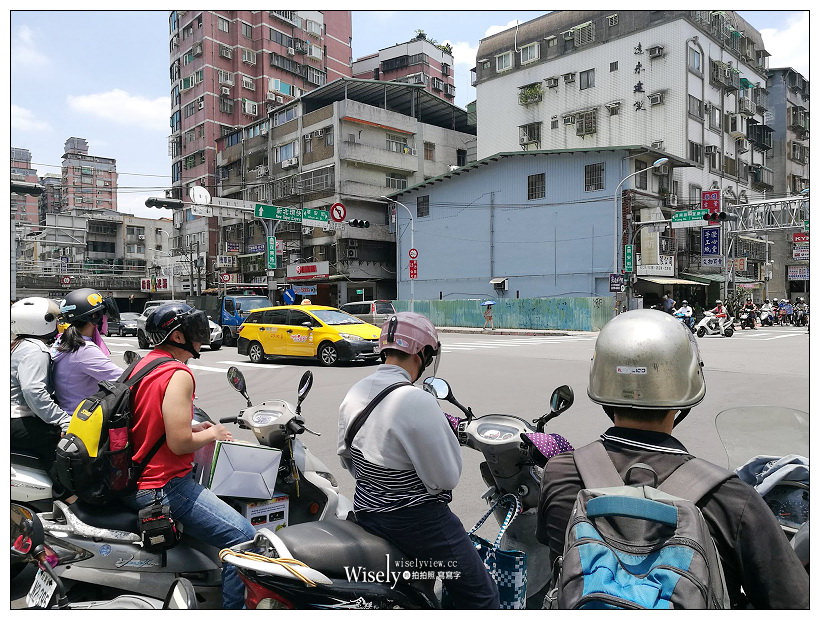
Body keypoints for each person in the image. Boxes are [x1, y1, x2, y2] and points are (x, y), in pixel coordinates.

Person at [536, 309, 809, 609]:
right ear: (687, 383)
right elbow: (793, 603)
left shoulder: (560, 474)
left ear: (600, 380)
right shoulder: (730, 499)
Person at [338, 312, 500, 609]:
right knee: (483, 596)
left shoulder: (355, 392)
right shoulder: (416, 400)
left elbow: (348, 460)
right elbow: (446, 478)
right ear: (422, 353)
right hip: (417, 522)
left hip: (365, 510)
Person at [119, 303, 255, 610]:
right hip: (164, 485)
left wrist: (198, 427)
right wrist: (213, 433)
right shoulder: (178, 373)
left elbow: (150, 419)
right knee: (244, 538)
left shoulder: (146, 364)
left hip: (135, 477)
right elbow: (180, 443)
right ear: (179, 336)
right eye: (195, 328)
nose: (201, 334)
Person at [11, 297, 71, 470]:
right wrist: (63, 419)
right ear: (40, 322)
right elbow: (33, 391)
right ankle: (67, 495)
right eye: (53, 319)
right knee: (61, 443)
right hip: (16, 418)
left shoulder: (18, 344)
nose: (58, 323)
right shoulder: (36, 350)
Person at [52, 288, 123, 414]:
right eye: (103, 314)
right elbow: (123, 379)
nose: (105, 318)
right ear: (95, 317)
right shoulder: (84, 349)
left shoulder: (62, 341)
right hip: (82, 418)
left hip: (69, 411)